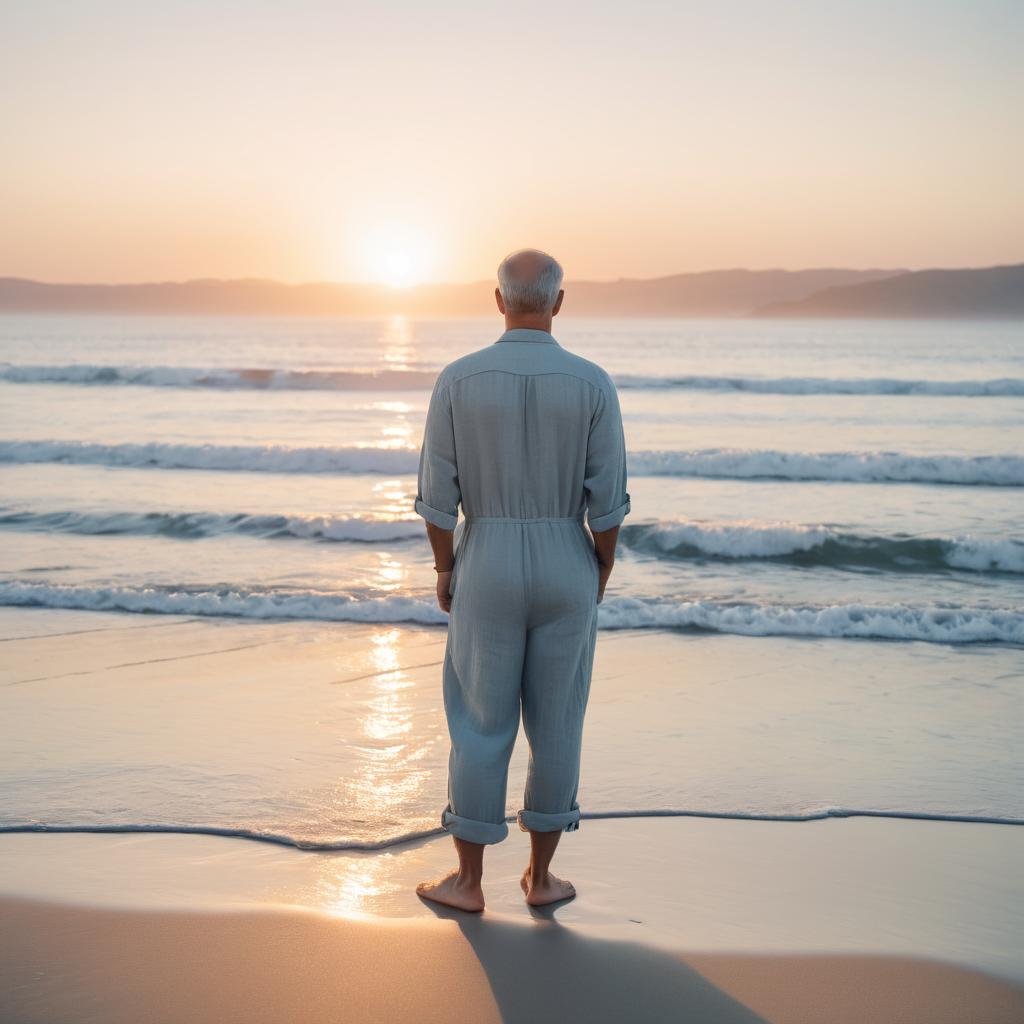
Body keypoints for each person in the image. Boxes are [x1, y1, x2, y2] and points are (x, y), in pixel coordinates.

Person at [413, 249, 630, 911]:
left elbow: (434, 498)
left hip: (489, 559)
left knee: (481, 723)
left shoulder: (458, 380)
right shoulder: (593, 384)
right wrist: (598, 566)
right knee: (558, 723)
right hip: (567, 554)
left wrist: (447, 569)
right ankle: (540, 878)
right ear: (559, 303)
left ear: (499, 299)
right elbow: (610, 501)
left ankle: (469, 882)